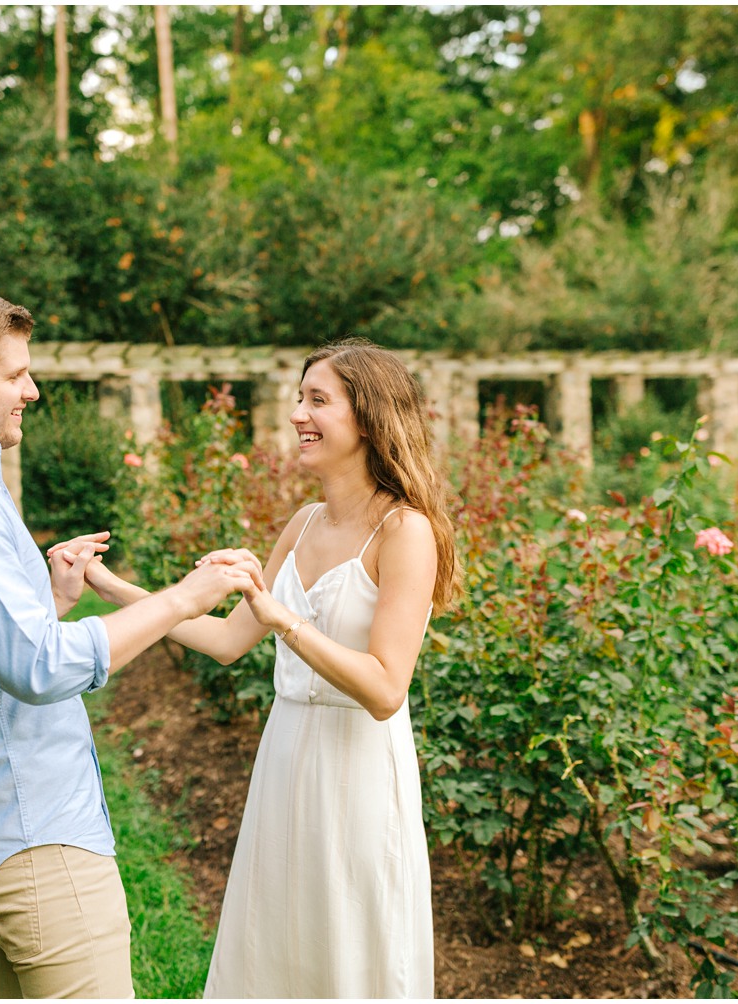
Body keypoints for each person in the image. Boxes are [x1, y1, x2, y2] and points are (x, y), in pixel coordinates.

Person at [0, 286, 259, 999]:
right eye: (14, 375)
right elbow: (40, 668)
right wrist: (184, 599)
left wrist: (49, 603)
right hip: (32, 835)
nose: (33, 390)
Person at [71, 337, 463, 998]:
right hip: (288, 755)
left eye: (317, 401)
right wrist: (114, 589)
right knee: (278, 945)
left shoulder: (406, 531)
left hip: (357, 769)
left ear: (366, 418)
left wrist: (287, 621)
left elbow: (385, 688)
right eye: (298, 399)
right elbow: (226, 638)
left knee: (351, 949)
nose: (297, 415)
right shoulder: (305, 523)